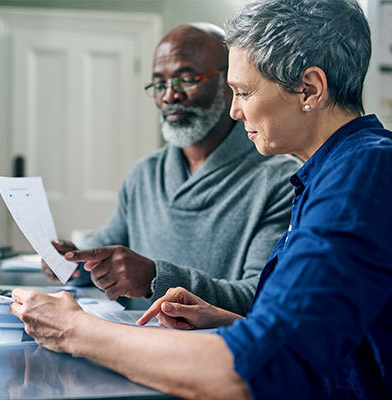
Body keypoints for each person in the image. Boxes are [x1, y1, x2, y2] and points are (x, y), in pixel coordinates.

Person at [11, 0, 392, 398]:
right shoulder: (333, 171)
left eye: (243, 92)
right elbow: (318, 334)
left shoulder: (360, 176)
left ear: (309, 89)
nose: (235, 110)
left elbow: (256, 369)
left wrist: (75, 330)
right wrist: (223, 320)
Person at [42, 23, 301, 315]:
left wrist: (155, 279)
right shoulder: (145, 175)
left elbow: (259, 295)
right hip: (128, 341)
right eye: (159, 84)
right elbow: (106, 258)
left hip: (208, 353)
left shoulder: (281, 180)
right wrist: (73, 260)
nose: (168, 96)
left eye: (186, 78)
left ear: (230, 82)